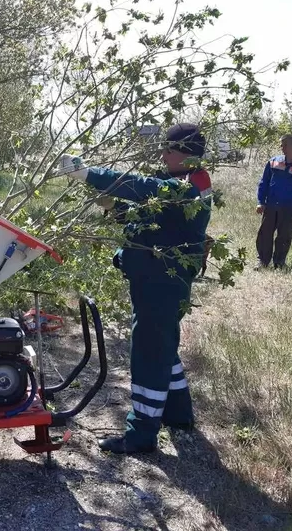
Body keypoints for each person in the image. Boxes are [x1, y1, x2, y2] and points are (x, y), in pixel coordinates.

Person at [57, 123, 212, 454]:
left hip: (162, 283)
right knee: (163, 344)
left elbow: (143, 188)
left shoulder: (188, 188)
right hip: (157, 281)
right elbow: (147, 222)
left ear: (184, 155)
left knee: (149, 352)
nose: (161, 155)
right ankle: (179, 414)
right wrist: (113, 208)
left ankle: (141, 433)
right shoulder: (186, 182)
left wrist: (88, 173)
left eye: (167, 150)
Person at [255, 134, 292, 269]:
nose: (282, 147)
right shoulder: (274, 162)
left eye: (285, 144)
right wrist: (260, 201)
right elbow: (264, 183)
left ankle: (279, 263)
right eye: (281, 144)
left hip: (290, 208)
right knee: (265, 234)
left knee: (284, 236)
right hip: (271, 206)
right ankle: (262, 261)